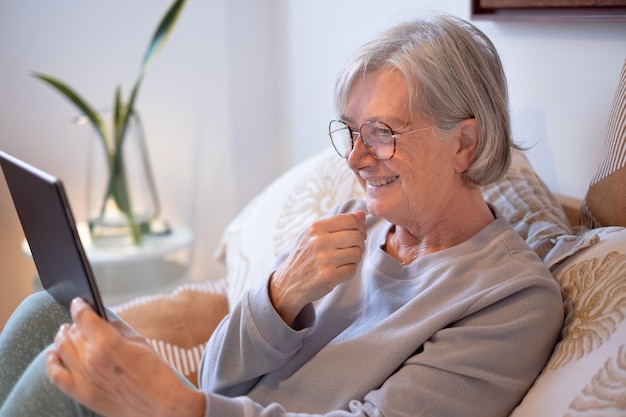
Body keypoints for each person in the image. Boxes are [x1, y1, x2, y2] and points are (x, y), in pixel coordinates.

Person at [0, 11, 563, 417]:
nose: (356, 157)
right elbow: (219, 374)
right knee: (45, 314)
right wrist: (279, 294)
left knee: (62, 380)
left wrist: (176, 407)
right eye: (350, 131)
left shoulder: (509, 298)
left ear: (465, 144)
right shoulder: (352, 224)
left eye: (382, 134)